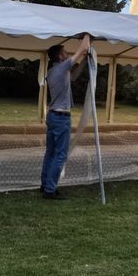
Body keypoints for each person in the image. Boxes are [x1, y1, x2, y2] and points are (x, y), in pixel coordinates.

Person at [40, 33, 91, 199]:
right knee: (61, 154)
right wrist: (87, 35)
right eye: (65, 52)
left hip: (53, 116)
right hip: (61, 118)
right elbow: (83, 47)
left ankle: (45, 184)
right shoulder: (61, 68)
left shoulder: (55, 71)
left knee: (51, 153)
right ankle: (50, 190)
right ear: (59, 57)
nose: (67, 54)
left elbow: (74, 76)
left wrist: (84, 60)